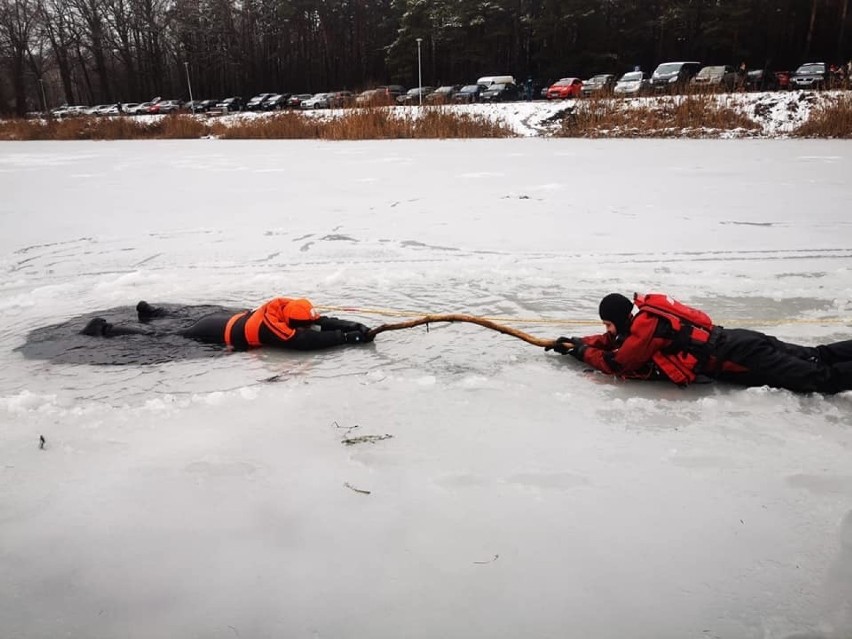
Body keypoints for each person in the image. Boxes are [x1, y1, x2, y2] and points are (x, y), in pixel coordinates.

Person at [547, 292, 852, 394]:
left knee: (818, 378)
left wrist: (583, 353)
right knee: (817, 355)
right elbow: (613, 341)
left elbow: (618, 362)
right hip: (740, 339)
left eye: (608, 323)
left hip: (739, 356)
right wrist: (577, 342)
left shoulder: (646, 329)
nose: (607, 331)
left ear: (619, 318)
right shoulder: (643, 320)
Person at [81, 297, 373, 351]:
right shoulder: (276, 330)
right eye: (304, 325)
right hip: (211, 331)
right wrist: (346, 339)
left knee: (178, 321)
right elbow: (304, 343)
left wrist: (353, 325)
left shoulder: (283, 308)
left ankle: (152, 311)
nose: (310, 326)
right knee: (162, 336)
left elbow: (321, 321)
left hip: (222, 319)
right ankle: (104, 329)